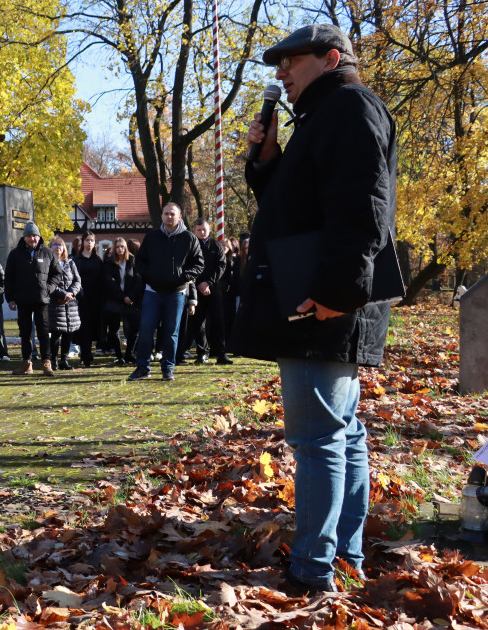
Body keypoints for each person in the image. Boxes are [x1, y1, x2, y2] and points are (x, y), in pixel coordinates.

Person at [235, 23, 397, 595]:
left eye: (291, 63)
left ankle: (312, 570)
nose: (280, 74)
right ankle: (343, 557)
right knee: (341, 432)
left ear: (330, 59)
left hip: (321, 301)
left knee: (317, 438)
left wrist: (337, 292)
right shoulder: (324, 117)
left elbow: (365, 207)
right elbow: (296, 208)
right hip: (321, 297)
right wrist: (268, 160)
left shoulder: (349, 109)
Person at [127, 203, 204, 382]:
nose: (169, 217)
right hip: (152, 292)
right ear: (161, 216)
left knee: (171, 332)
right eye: (166, 214)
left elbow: (199, 264)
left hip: (176, 293)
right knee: (146, 330)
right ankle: (142, 368)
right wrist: (150, 276)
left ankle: (168, 368)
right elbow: (140, 262)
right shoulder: (152, 237)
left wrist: (183, 276)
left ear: (180, 217)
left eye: (173, 214)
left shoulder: (189, 238)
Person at [4, 222, 65, 377]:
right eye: (29, 236)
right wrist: (10, 298)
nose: (32, 239)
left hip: (41, 300)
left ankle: (46, 363)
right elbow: (9, 278)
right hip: (22, 300)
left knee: (44, 333)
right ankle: (27, 363)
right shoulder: (15, 254)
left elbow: (57, 274)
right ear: (24, 237)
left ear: (39, 236)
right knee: (24, 333)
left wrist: (49, 289)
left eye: (35, 235)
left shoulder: (48, 253)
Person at [175, 218, 230, 365]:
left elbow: (221, 265)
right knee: (197, 323)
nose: (202, 232)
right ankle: (201, 353)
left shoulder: (216, 245)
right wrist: (199, 283)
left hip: (213, 289)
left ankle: (221, 353)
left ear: (209, 229)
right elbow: (187, 266)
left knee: (218, 322)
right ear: (194, 231)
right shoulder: (190, 245)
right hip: (195, 289)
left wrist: (209, 283)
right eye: (199, 230)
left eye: (204, 229)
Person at [103, 238, 143, 365]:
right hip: (115, 299)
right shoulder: (109, 263)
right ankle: (119, 355)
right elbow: (109, 282)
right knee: (113, 329)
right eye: (118, 247)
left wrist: (130, 297)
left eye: (122, 246)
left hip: (131, 299)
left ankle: (129, 354)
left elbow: (138, 280)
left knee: (134, 328)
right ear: (114, 249)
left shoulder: (132, 261)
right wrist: (122, 297)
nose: (120, 249)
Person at [47, 237, 82, 370]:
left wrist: (71, 294)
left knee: (69, 333)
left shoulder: (70, 263)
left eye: (60, 245)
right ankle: (54, 360)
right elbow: (47, 283)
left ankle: (64, 360)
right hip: (55, 302)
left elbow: (77, 281)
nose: (57, 247)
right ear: (50, 248)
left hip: (71, 304)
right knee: (56, 333)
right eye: (54, 245)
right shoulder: (48, 263)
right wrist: (62, 294)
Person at [71, 231, 104, 367]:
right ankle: (85, 355)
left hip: (96, 298)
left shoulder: (98, 261)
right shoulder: (76, 260)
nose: (89, 243)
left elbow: (103, 280)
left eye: (92, 240)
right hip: (81, 298)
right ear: (82, 242)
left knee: (94, 326)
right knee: (83, 327)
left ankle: (90, 353)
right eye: (87, 240)